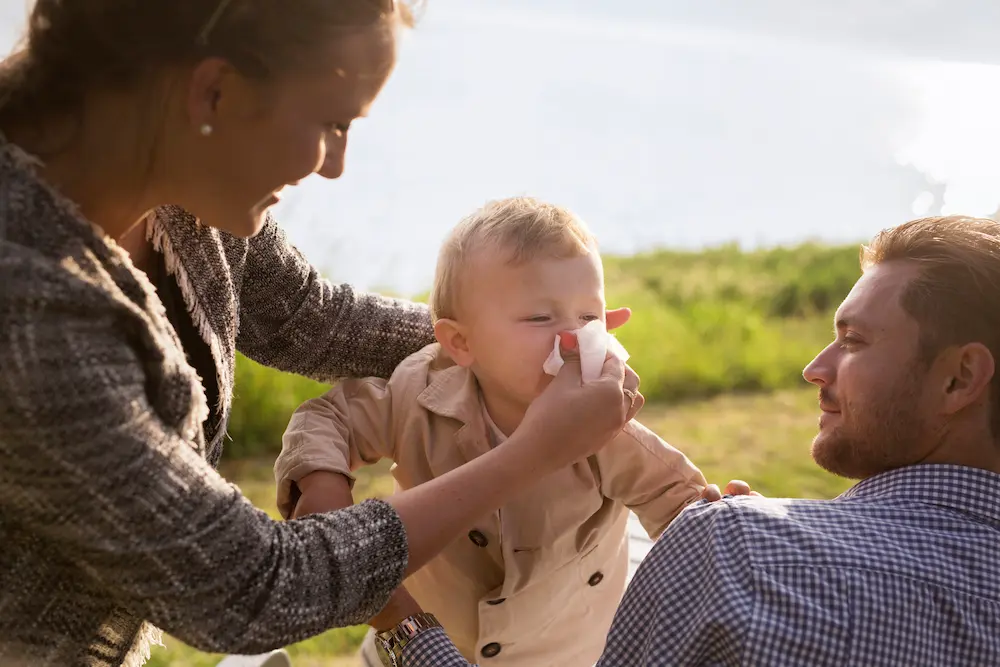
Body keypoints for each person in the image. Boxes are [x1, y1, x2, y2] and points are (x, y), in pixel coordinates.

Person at [0, 2, 644, 666]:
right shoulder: (25, 304)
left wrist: (516, 343)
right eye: (333, 123)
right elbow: (246, 586)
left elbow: (312, 318)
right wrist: (531, 452)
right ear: (213, 91)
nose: (335, 165)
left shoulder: (179, 181)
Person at [393, 214, 1000, 666]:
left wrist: (404, 630)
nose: (814, 368)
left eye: (855, 340)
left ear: (960, 378)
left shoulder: (731, 551)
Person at [277, 197, 737, 666]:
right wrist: (321, 476)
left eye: (589, 317)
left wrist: (724, 520)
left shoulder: (603, 429)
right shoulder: (418, 390)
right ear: (461, 342)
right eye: (541, 318)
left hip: (563, 654)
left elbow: (681, 507)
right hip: (412, 645)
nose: (573, 339)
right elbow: (328, 418)